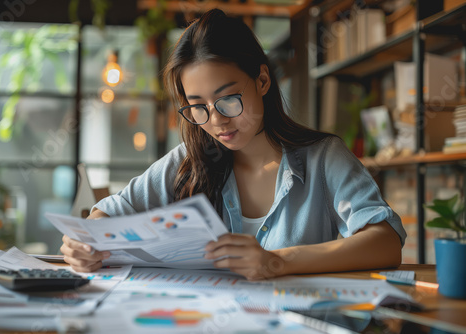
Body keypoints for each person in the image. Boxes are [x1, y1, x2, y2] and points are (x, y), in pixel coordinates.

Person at [60, 9, 406, 280]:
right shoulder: (190, 160)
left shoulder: (322, 159)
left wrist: (277, 262)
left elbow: (386, 242)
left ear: (263, 80)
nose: (216, 120)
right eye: (198, 106)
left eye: (228, 99)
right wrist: (86, 242)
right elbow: (108, 212)